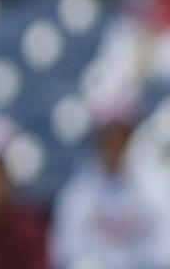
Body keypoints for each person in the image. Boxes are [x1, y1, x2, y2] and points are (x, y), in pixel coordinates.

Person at [50, 109, 170, 269]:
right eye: (108, 137)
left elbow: (164, 251)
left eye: (121, 137)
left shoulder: (157, 186)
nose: (114, 145)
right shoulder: (76, 192)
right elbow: (66, 252)